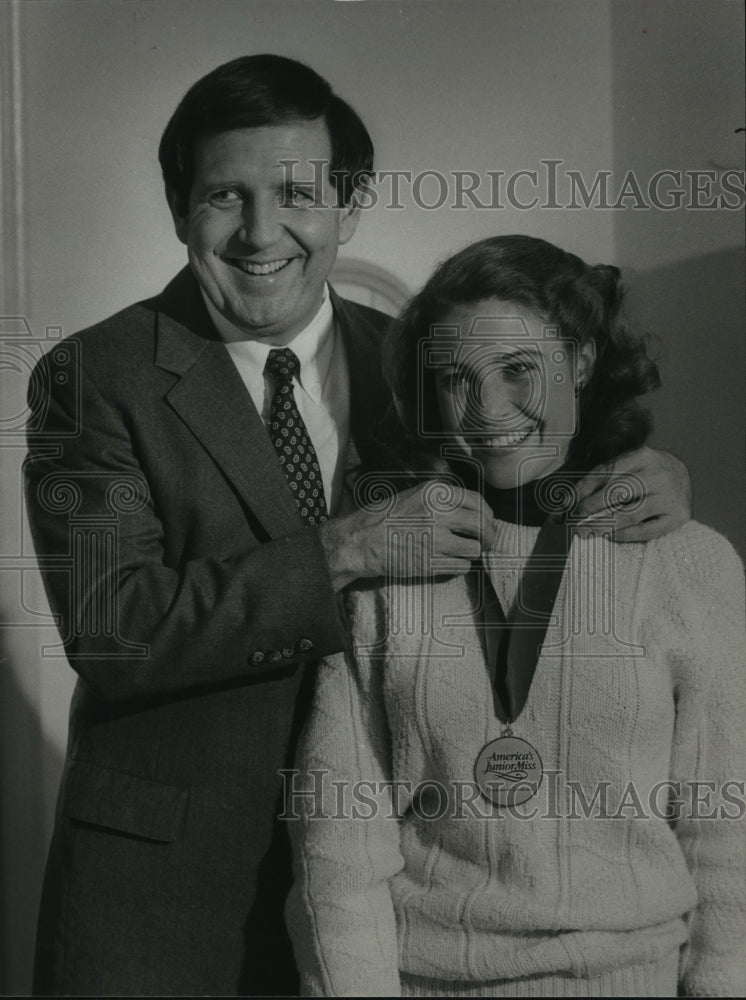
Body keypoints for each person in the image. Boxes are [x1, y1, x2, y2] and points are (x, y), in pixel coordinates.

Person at [24, 53, 692, 996]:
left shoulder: (423, 368)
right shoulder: (91, 377)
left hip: (395, 897)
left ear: (349, 203)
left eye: (298, 192)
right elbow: (112, 628)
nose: (263, 233)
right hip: (164, 899)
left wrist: (645, 472)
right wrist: (340, 552)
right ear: (179, 209)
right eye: (225, 196)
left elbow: (530, 494)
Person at [286, 235, 745, 998]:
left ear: (583, 361)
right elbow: (340, 851)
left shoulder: (688, 564)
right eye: (456, 378)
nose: (488, 411)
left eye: (518, 370)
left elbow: (727, 832)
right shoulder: (389, 569)